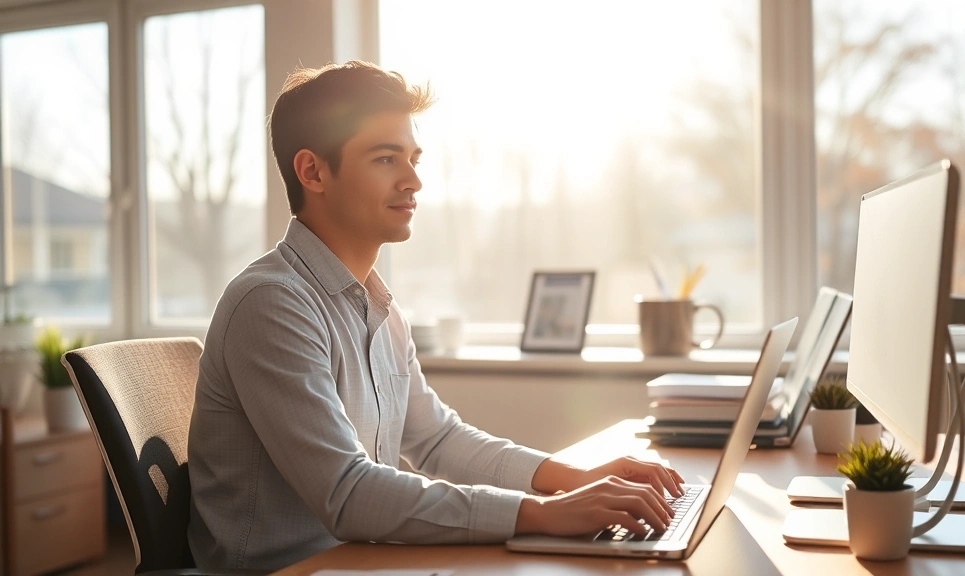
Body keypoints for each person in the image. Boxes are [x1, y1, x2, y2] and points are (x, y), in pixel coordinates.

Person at [187, 61, 685, 572]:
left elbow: (437, 439)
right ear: (313, 171)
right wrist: (542, 513)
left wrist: (577, 478)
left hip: (357, 563)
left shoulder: (378, 306)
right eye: (386, 159)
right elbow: (346, 492)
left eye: (413, 158)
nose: (414, 181)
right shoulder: (272, 303)